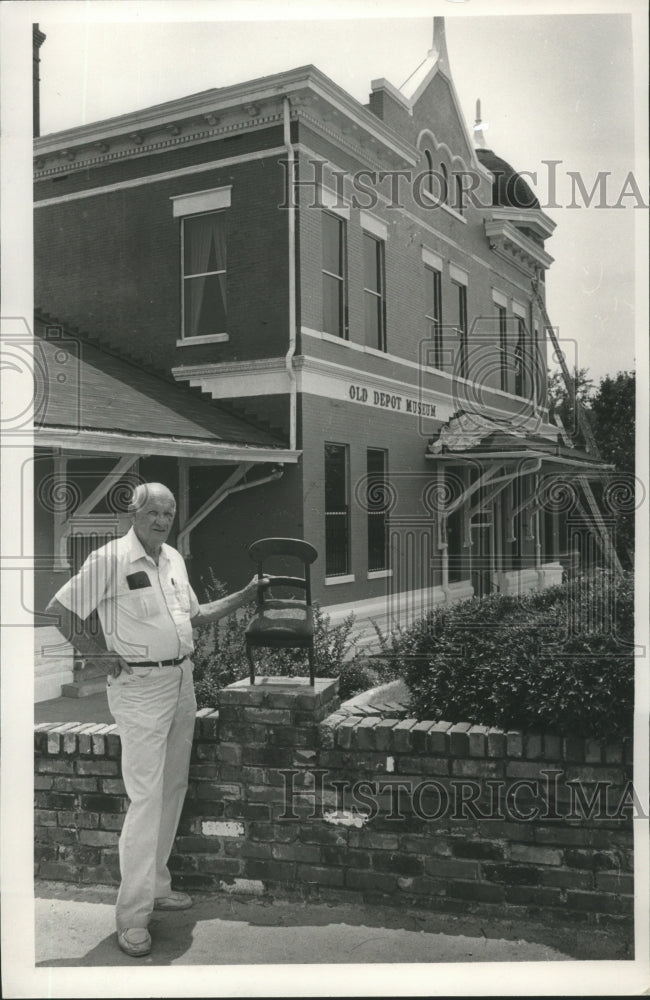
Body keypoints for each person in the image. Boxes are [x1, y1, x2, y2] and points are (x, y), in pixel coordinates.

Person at [46, 482, 265, 957]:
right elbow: (58, 610)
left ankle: (157, 885)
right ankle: (132, 917)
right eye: (154, 513)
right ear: (134, 514)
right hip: (139, 689)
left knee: (172, 788)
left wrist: (246, 596)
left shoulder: (173, 559)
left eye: (169, 513)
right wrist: (96, 656)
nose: (163, 521)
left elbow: (198, 615)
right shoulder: (109, 560)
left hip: (181, 681)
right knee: (146, 797)